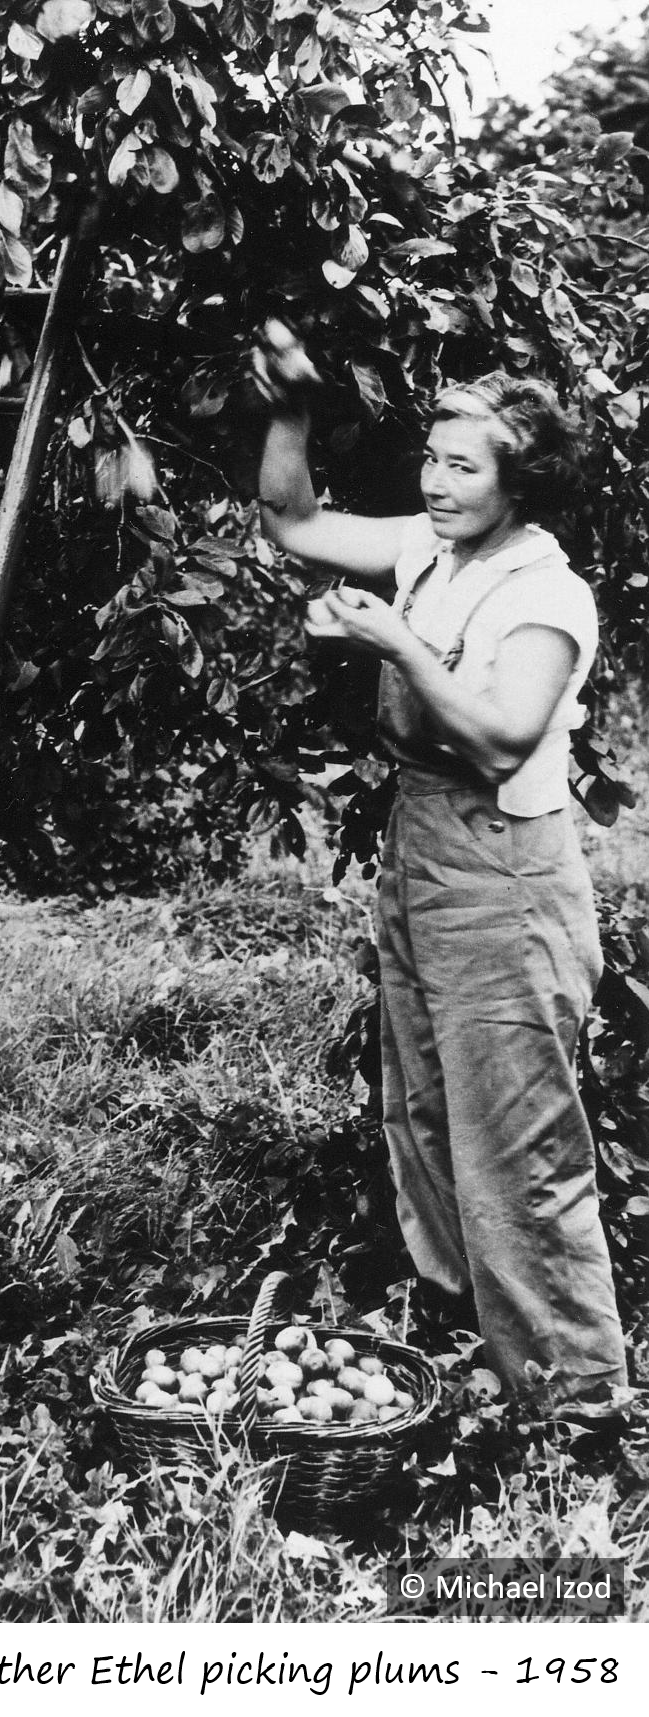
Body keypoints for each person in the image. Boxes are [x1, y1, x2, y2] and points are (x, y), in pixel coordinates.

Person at [255, 328, 627, 1416]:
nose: (435, 480)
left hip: (501, 873)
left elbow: (504, 738)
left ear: (522, 480)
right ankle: (481, 1350)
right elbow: (291, 522)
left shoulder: (542, 593)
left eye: (464, 465)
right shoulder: (431, 548)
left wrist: (397, 646)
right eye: (431, 456)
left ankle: (575, 1405)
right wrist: (291, 411)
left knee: (516, 1140)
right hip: (424, 853)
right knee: (423, 1111)